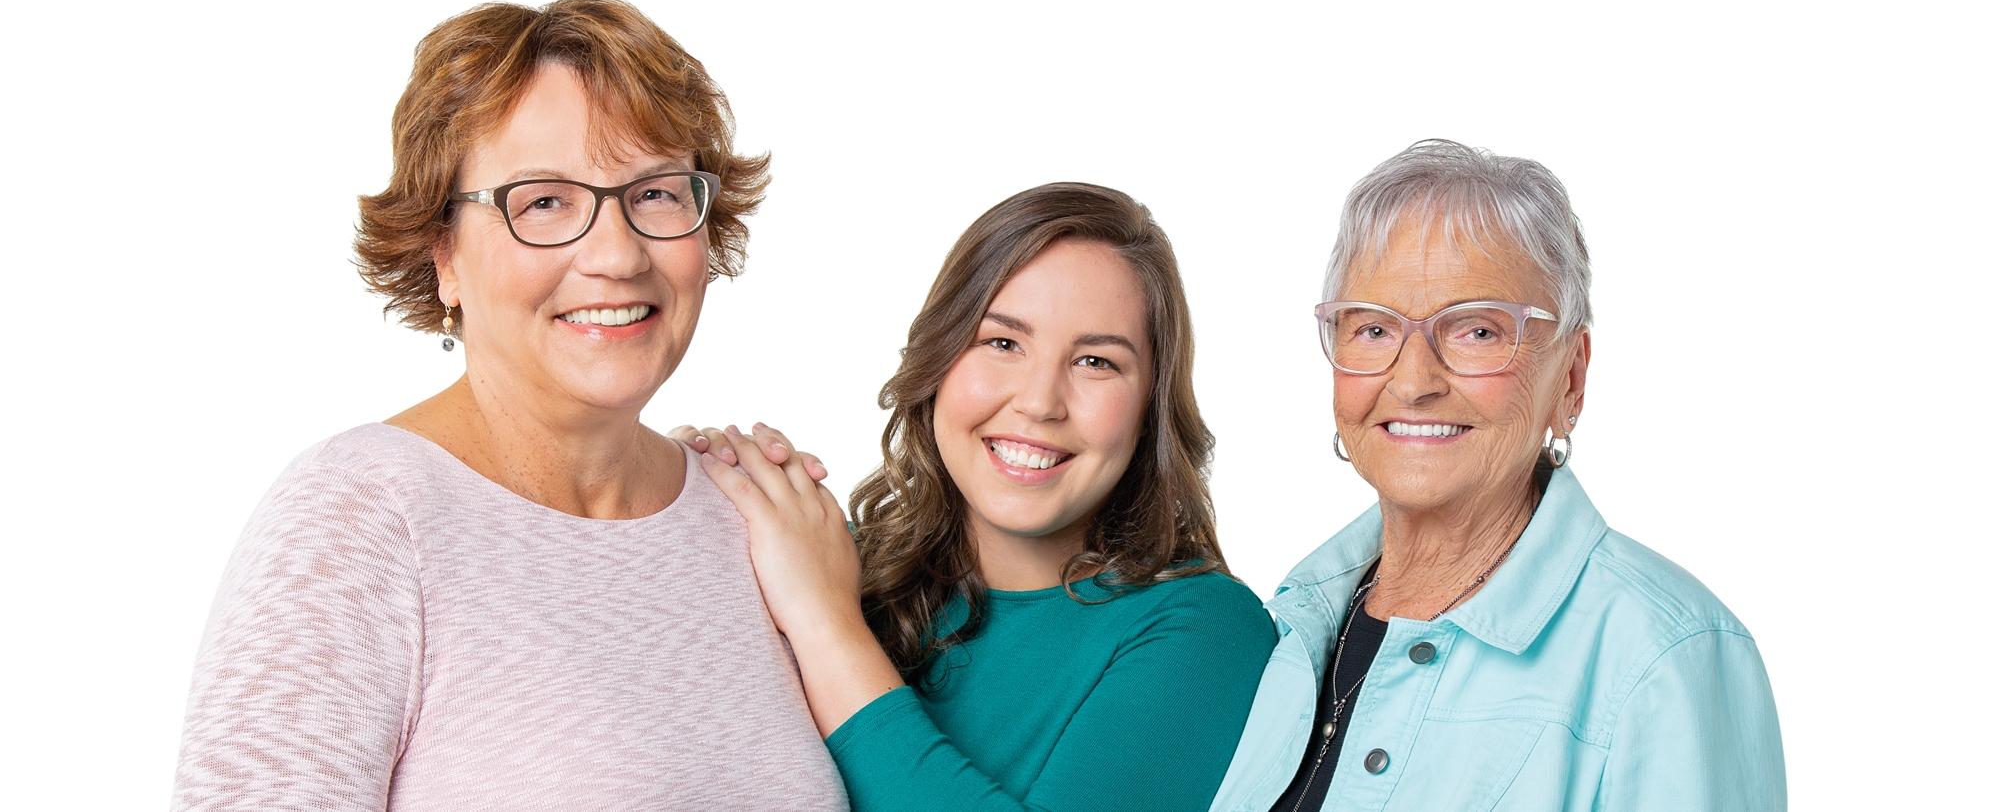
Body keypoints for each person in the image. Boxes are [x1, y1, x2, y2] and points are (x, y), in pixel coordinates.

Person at [170, 0, 847, 811]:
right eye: (544, 202)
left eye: (657, 194)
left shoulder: (759, 521)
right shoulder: (363, 518)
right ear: (443, 255)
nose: (616, 254)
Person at [1205, 140, 1785, 811]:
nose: (1414, 380)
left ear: (1570, 377)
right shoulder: (1288, 630)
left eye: (1476, 331)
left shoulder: (1666, 657)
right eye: (1373, 330)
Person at [688, 183, 1277, 811]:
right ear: (939, 359)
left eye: (1096, 362)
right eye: (1001, 343)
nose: (1039, 402)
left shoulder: (1205, 630)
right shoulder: (829, 561)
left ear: (1150, 407)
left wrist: (825, 626)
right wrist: (683, 498)